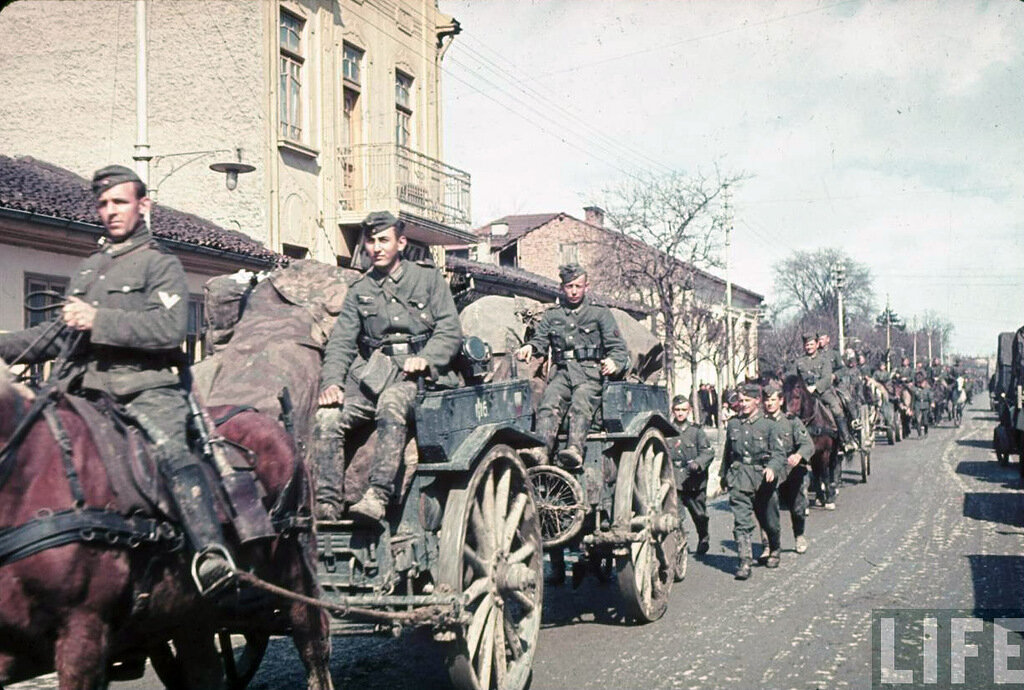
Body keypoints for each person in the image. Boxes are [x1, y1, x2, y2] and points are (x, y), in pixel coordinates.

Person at [0, 165, 233, 595]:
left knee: (171, 451)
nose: (110, 211)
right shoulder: (91, 268)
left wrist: (98, 319)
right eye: (103, 204)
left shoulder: (161, 265)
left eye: (119, 202)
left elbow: (168, 328)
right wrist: (4, 346)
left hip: (148, 389)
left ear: (143, 206)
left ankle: (210, 552)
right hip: (86, 391)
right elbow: (59, 335)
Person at [313, 211, 462, 521]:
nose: (376, 248)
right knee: (328, 417)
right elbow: (340, 342)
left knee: (392, 402)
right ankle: (327, 503)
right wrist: (332, 384)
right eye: (370, 241)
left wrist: (427, 358)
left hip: (423, 380)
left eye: (384, 240)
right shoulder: (359, 291)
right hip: (376, 377)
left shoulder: (427, 278)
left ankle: (378, 495)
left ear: (401, 243)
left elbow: (450, 329)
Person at [516, 263, 629, 469]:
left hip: (590, 374)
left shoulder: (599, 314)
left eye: (578, 286)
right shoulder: (553, 315)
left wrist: (614, 362)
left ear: (586, 286)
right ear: (562, 288)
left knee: (581, 400)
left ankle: (575, 449)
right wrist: (530, 347)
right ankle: (541, 450)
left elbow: (619, 349)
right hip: (562, 373)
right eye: (569, 286)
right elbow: (540, 341)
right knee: (549, 401)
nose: (574, 291)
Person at [717, 382, 786, 580]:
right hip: (739, 476)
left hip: (763, 478)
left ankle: (774, 549)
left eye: (747, 400)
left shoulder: (769, 425)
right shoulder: (733, 424)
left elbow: (779, 453)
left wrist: (772, 467)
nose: (743, 404)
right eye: (741, 400)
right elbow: (727, 453)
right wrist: (723, 476)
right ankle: (744, 560)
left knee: (769, 520)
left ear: (757, 401)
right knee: (741, 521)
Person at [764, 382, 815, 553]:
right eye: (766, 400)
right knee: (766, 508)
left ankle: (799, 535)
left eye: (772, 400)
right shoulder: (760, 423)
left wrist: (798, 455)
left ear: (780, 401)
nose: (769, 403)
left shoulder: (792, 422)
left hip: (791, 471)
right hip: (769, 472)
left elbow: (808, 444)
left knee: (798, 507)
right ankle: (768, 545)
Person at [788, 332, 856, 453]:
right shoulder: (799, 362)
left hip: (823, 392)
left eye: (811, 344)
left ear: (817, 344)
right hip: (804, 394)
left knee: (836, 408)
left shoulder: (824, 360)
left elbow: (826, 378)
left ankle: (845, 439)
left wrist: (815, 387)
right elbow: (792, 377)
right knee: (790, 410)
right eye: (806, 345)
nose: (808, 347)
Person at [668, 394, 714, 555]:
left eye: (683, 410)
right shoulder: (667, 430)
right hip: (675, 479)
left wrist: (698, 463)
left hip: (694, 481)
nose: (680, 413)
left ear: (690, 411)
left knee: (700, 515)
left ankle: (704, 536)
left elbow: (708, 452)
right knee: (676, 517)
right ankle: (678, 545)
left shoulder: (696, 432)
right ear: (672, 411)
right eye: (677, 410)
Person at [912, 372, 934, 436]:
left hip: (925, 405)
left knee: (925, 421)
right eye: (918, 383)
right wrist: (911, 408)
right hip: (917, 405)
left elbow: (930, 396)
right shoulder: (914, 389)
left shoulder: (927, 389)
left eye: (920, 382)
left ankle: (926, 431)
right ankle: (919, 434)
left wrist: (932, 402)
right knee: (918, 420)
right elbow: (913, 399)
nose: (919, 384)